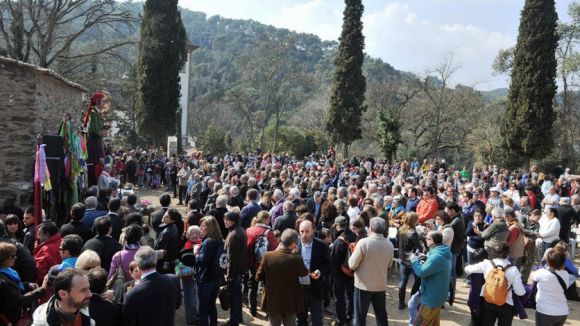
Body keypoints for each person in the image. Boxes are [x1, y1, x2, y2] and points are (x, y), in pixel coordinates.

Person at [256, 228, 309, 326]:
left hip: (273, 300)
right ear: (293, 244)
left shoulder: (267, 256)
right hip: (290, 302)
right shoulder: (296, 259)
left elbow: (258, 277)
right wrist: (296, 254)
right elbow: (304, 273)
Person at [464, 243, 526, 326]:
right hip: (506, 303)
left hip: (488, 300)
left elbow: (467, 269)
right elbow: (520, 292)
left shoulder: (486, 264)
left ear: (493, 252)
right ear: (508, 253)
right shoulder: (514, 270)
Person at [348, 217, 394, 326]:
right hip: (380, 285)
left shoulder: (363, 242)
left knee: (360, 317)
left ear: (371, 227)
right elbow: (389, 265)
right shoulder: (389, 244)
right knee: (381, 315)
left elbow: (352, 264)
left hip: (363, 286)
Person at [122, 246, 182, 326]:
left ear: (138, 265)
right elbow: (177, 304)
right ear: (156, 261)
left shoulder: (132, 294)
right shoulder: (173, 280)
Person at [0, 242, 49, 326]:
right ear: (2, 259)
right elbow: (19, 300)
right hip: (10, 318)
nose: (15, 258)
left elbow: (14, 285)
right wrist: (42, 289)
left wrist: (27, 284)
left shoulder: (8, 271)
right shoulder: (2, 280)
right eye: (12, 256)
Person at [411, 231, 452, 326]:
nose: (425, 240)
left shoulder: (436, 256)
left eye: (427, 238)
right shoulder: (441, 251)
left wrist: (414, 261)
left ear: (432, 241)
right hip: (438, 295)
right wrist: (426, 258)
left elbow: (421, 272)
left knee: (419, 323)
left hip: (432, 298)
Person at [296, 220, 330, 326]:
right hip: (299, 289)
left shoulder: (321, 245)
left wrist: (319, 271)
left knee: (317, 321)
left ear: (312, 231)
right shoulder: (293, 244)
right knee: (301, 320)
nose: (304, 234)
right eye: (302, 231)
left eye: (307, 231)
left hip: (315, 288)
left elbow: (328, 265)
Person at [245, 211, 277, 317]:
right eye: (268, 219)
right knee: (268, 287)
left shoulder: (248, 230)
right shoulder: (269, 232)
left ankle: (252, 309)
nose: (269, 221)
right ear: (264, 219)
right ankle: (268, 311)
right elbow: (273, 249)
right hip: (265, 264)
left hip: (251, 264)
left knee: (252, 286)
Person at [195, 216, 225, 326]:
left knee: (203, 308)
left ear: (210, 228)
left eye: (203, 225)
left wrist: (196, 253)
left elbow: (202, 262)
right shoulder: (220, 240)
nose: (200, 227)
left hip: (205, 279)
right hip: (216, 278)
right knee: (211, 305)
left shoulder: (208, 242)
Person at [532, 244, 572, 325]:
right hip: (562, 312)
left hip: (545, 311)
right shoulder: (566, 275)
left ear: (548, 261)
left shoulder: (541, 272)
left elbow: (533, 277)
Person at [223, 212, 249, 326]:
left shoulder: (234, 234)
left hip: (235, 271)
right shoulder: (238, 230)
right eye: (225, 219)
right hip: (239, 270)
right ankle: (238, 317)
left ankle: (234, 321)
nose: (225, 221)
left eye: (227, 219)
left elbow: (232, 258)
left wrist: (229, 276)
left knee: (234, 296)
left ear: (233, 221)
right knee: (237, 295)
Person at [331, 215, 357, 325]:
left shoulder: (339, 241)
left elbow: (334, 260)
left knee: (340, 298)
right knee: (351, 296)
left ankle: (340, 320)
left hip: (339, 274)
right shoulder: (354, 236)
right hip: (351, 272)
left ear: (337, 225)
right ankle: (350, 316)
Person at [396, 212, 422, 310]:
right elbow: (419, 248)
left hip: (402, 258)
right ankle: (412, 300)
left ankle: (401, 303)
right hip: (411, 260)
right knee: (418, 280)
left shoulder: (400, 230)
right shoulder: (413, 233)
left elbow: (398, 242)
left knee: (403, 281)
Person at [155, 209, 180, 274]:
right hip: (170, 259)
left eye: (167, 216)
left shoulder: (167, 232)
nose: (164, 216)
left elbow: (160, 248)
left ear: (172, 220)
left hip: (164, 260)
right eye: (165, 214)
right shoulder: (174, 226)